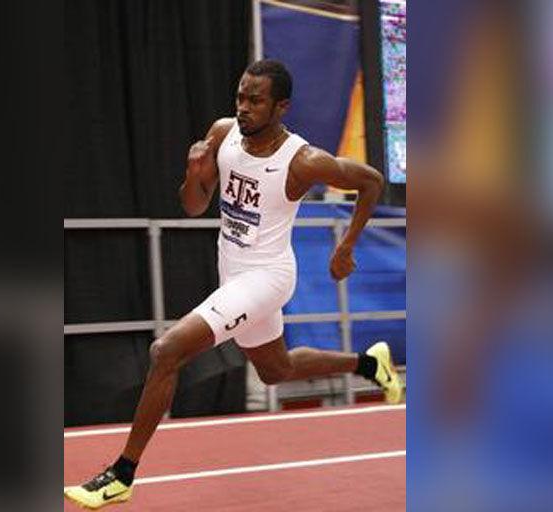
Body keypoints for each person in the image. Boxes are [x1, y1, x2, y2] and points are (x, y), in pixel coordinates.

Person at [64, 59, 405, 509]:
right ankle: (368, 364)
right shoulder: (223, 133)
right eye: (240, 96)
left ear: (281, 107)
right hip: (232, 269)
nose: (243, 108)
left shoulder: (302, 160)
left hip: (268, 277)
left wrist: (346, 247)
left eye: (255, 100)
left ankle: (121, 473)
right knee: (275, 370)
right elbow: (191, 206)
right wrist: (195, 172)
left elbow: (371, 182)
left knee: (166, 352)